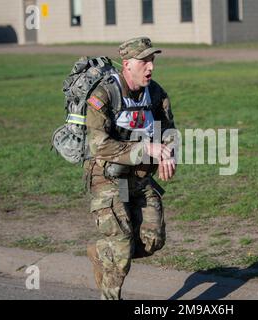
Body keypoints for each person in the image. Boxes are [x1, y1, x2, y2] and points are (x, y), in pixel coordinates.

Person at [83, 37, 177, 300]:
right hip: (106, 176)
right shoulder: (104, 94)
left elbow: (167, 129)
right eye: (144, 61)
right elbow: (99, 145)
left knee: (151, 240)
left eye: (152, 60)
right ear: (127, 64)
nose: (151, 67)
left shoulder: (156, 93)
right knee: (123, 247)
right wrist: (146, 149)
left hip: (138, 177)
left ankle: (103, 252)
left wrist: (169, 152)